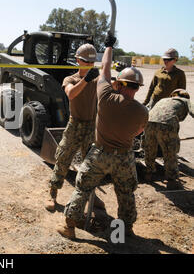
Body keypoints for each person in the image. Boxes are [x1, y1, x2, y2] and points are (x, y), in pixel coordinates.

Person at [57, 35, 148, 239]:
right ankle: (123, 232)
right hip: (124, 157)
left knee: (82, 188)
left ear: (120, 83)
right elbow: (138, 132)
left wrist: (108, 46)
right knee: (125, 194)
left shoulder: (105, 97)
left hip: (99, 154)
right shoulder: (142, 111)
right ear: (137, 87)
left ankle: (69, 227)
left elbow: (105, 68)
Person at [44, 44, 104, 212]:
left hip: (92, 127)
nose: (90, 65)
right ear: (78, 60)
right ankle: (52, 193)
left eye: (92, 62)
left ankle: (92, 195)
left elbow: (111, 84)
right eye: (86, 61)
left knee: (91, 165)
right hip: (74, 125)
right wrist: (85, 80)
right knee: (63, 159)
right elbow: (71, 94)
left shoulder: (97, 79)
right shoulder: (70, 79)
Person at [143, 89, 193, 189]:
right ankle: (171, 180)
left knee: (150, 149)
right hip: (167, 124)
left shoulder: (163, 100)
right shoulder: (185, 101)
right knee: (170, 152)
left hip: (149, 122)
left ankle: (149, 174)